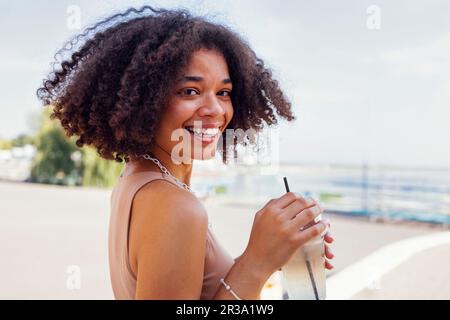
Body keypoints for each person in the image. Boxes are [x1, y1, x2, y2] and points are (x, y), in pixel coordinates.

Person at [37, 5, 334, 300]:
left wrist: (275, 250)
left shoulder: (139, 180)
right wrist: (256, 262)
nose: (215, 109)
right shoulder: (175, 206)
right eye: (190, 91)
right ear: (147, 99)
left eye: (224, 93)